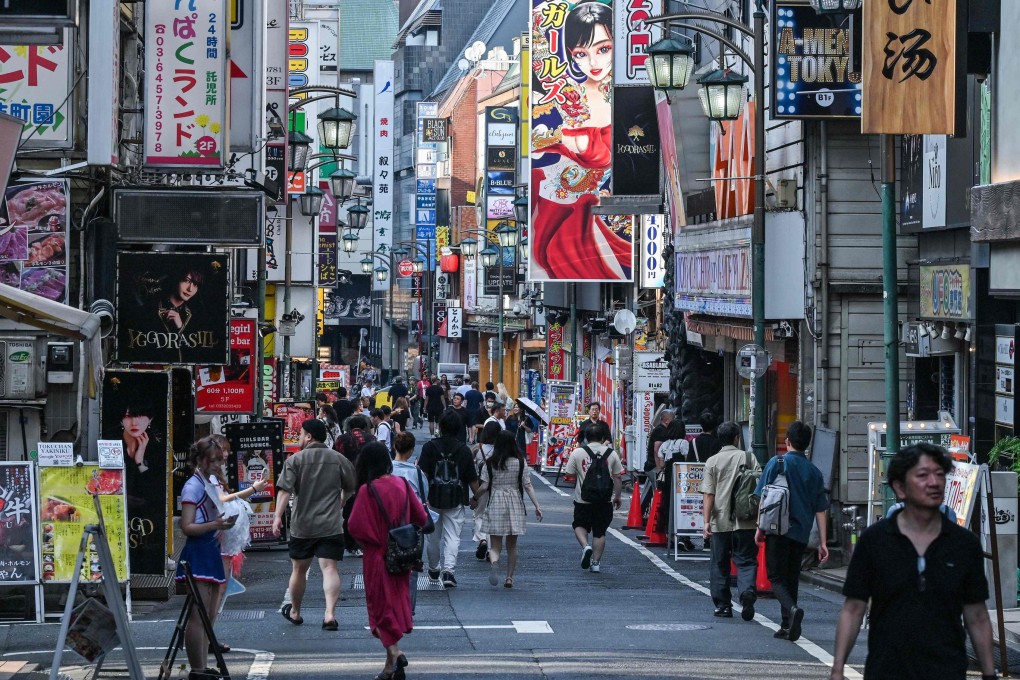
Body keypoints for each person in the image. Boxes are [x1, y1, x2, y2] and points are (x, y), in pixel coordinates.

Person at [829, 445, 996, 680]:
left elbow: (976, 615)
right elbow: (853, 608)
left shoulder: (963, 544)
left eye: (939, 474)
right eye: (922, 475)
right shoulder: (874, 541)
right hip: (887, 669)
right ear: (899, 487)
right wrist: (838, 670)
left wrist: (989, 674)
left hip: (946, 669)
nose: (934, 482)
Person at [530, 1, 630, 280]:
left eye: (603, 49)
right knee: (554, 253)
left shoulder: (632, 93)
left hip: (617, 210)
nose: (594, 63)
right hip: (568, 206)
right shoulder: (567, 98)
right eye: (581, 54)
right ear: (571, 54)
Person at [348, 442, 427, 680]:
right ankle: (389, 667)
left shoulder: (367, 490)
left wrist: (372, 539)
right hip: (401, 554)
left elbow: (354, 526)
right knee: (394, 605)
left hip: (377, 556)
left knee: (380, 609)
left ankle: (396, 651)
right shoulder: (402, 484)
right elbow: (421, 517)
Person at [272, 419, 357, 631]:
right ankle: (329, 614)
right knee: (330, 569)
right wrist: (342, 501)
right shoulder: (338, 459)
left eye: (301, 433)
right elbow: (350, 487)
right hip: (330, 524)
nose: (299, 437)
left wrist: (277, 517)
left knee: (299, 569)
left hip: (303, 525)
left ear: (308, 436)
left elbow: (284, 490)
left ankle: (296, 611)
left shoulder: (295, 460)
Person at [753, 420, 830, 641]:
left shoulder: (776, 463)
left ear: (787, 441)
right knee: (792, 577)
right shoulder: (814, 471)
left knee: (776, 577)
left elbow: (763, 499)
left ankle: (792, 612)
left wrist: (760, 528)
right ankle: (787, 625)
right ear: (807, 444)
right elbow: (821, 509)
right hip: (800, 532)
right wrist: (823, 542)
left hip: (777, 529)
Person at [175, 437, 237, 679]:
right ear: (200, 460)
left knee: (209, 615)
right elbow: (187, 527)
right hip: (198, 551)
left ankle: (202, 667)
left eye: (220, 461)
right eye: (213, 461)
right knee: (198, 615)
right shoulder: (192, 486)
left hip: (210, 547)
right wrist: (216, 523)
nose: (218, 466)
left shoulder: (208, 482)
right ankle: (197, 669)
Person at [206, 434, 267, 647]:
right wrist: (252, 490)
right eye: (224, 450)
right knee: (218, 589)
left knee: (220, 590)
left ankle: (208, 637)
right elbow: (221, 500)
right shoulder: (209, 476)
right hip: (219, 540)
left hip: (224, 539)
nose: (227, 454)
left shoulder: (213, 474)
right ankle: (206, 637)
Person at [700, 421, 760, 620]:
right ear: (737, 438)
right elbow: (759, 489)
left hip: (720, 521)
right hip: (746, 521)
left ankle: (723, 605)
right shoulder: (749, 457)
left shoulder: (712, 461)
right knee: (746, 560)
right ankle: (747, 592)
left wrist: (706, 521)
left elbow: (709, 494)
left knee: (719, 563)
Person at [417, 410, 481, 587]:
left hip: (432, 498)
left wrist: (421, 498)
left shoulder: (429, 447)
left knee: (433, 537)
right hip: (456, 498)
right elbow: (472, 479)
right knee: (453, 537)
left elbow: (422, 474)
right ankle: (448, 572)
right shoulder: (464, 450)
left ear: (440, 427)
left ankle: (433, 568)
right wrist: (476, 497)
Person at [478, 430, 543, 588]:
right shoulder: (520, 462)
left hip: (496, 501)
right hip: (514, 501)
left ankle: (494, 562)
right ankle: (509, 578)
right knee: (512, 545)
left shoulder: (490, 462)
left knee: (495, 545)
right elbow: (527, 485)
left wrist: (474, 498)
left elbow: (485, 486)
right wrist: (537, 506)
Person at [563, 420, 623, 573]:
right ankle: (595, 563)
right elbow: (617, 477)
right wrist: (617, 496)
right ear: (603, 437)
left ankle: (585, 546)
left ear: (586, 437)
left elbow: (568, 474)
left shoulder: (577, 453)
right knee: (600, 531)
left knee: (579, 525)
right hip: (604, 500)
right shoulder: (612, 454)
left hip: (583, 499)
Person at [390, 431, 436, 615]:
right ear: (410, 451)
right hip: (413, 525)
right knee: (412, 569)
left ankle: (392, 606)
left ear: (394, 447)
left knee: (389, 564)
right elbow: (424, 496)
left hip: (390, 524)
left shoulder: (387, 471)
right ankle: (408, 610)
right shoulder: (417, 473)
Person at [472, 420, 504, 562]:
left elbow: (469, 463)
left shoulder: (477, 447)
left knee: (479, 514)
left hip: (481, 485)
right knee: (493, 518)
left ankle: (482, 539)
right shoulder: (502, 450)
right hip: (498, 486)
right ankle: (491, 550)